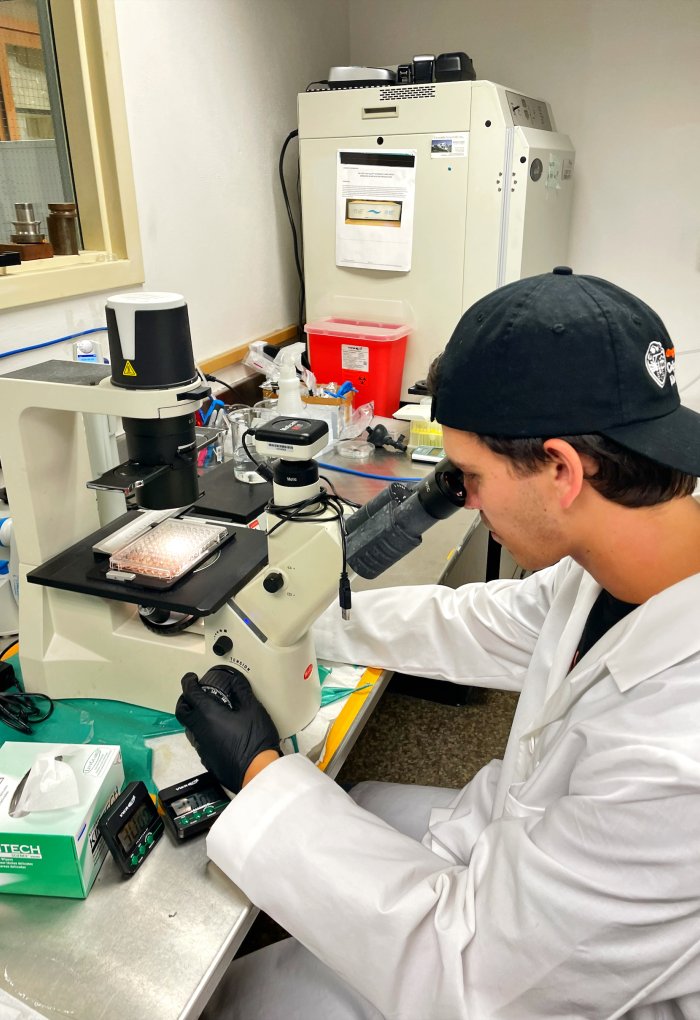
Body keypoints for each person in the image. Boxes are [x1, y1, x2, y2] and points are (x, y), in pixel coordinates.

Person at [176, 267, 700, 1020]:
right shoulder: (631, 559)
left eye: (472, 477)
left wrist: (260, 770)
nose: (467, 502)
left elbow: (473, 978)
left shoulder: (676, 758)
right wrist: (269, 622)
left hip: (549, 991)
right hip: (528, 853)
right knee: (356, 801)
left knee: (243, 1002)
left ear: (561, 468)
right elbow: (479, 621)